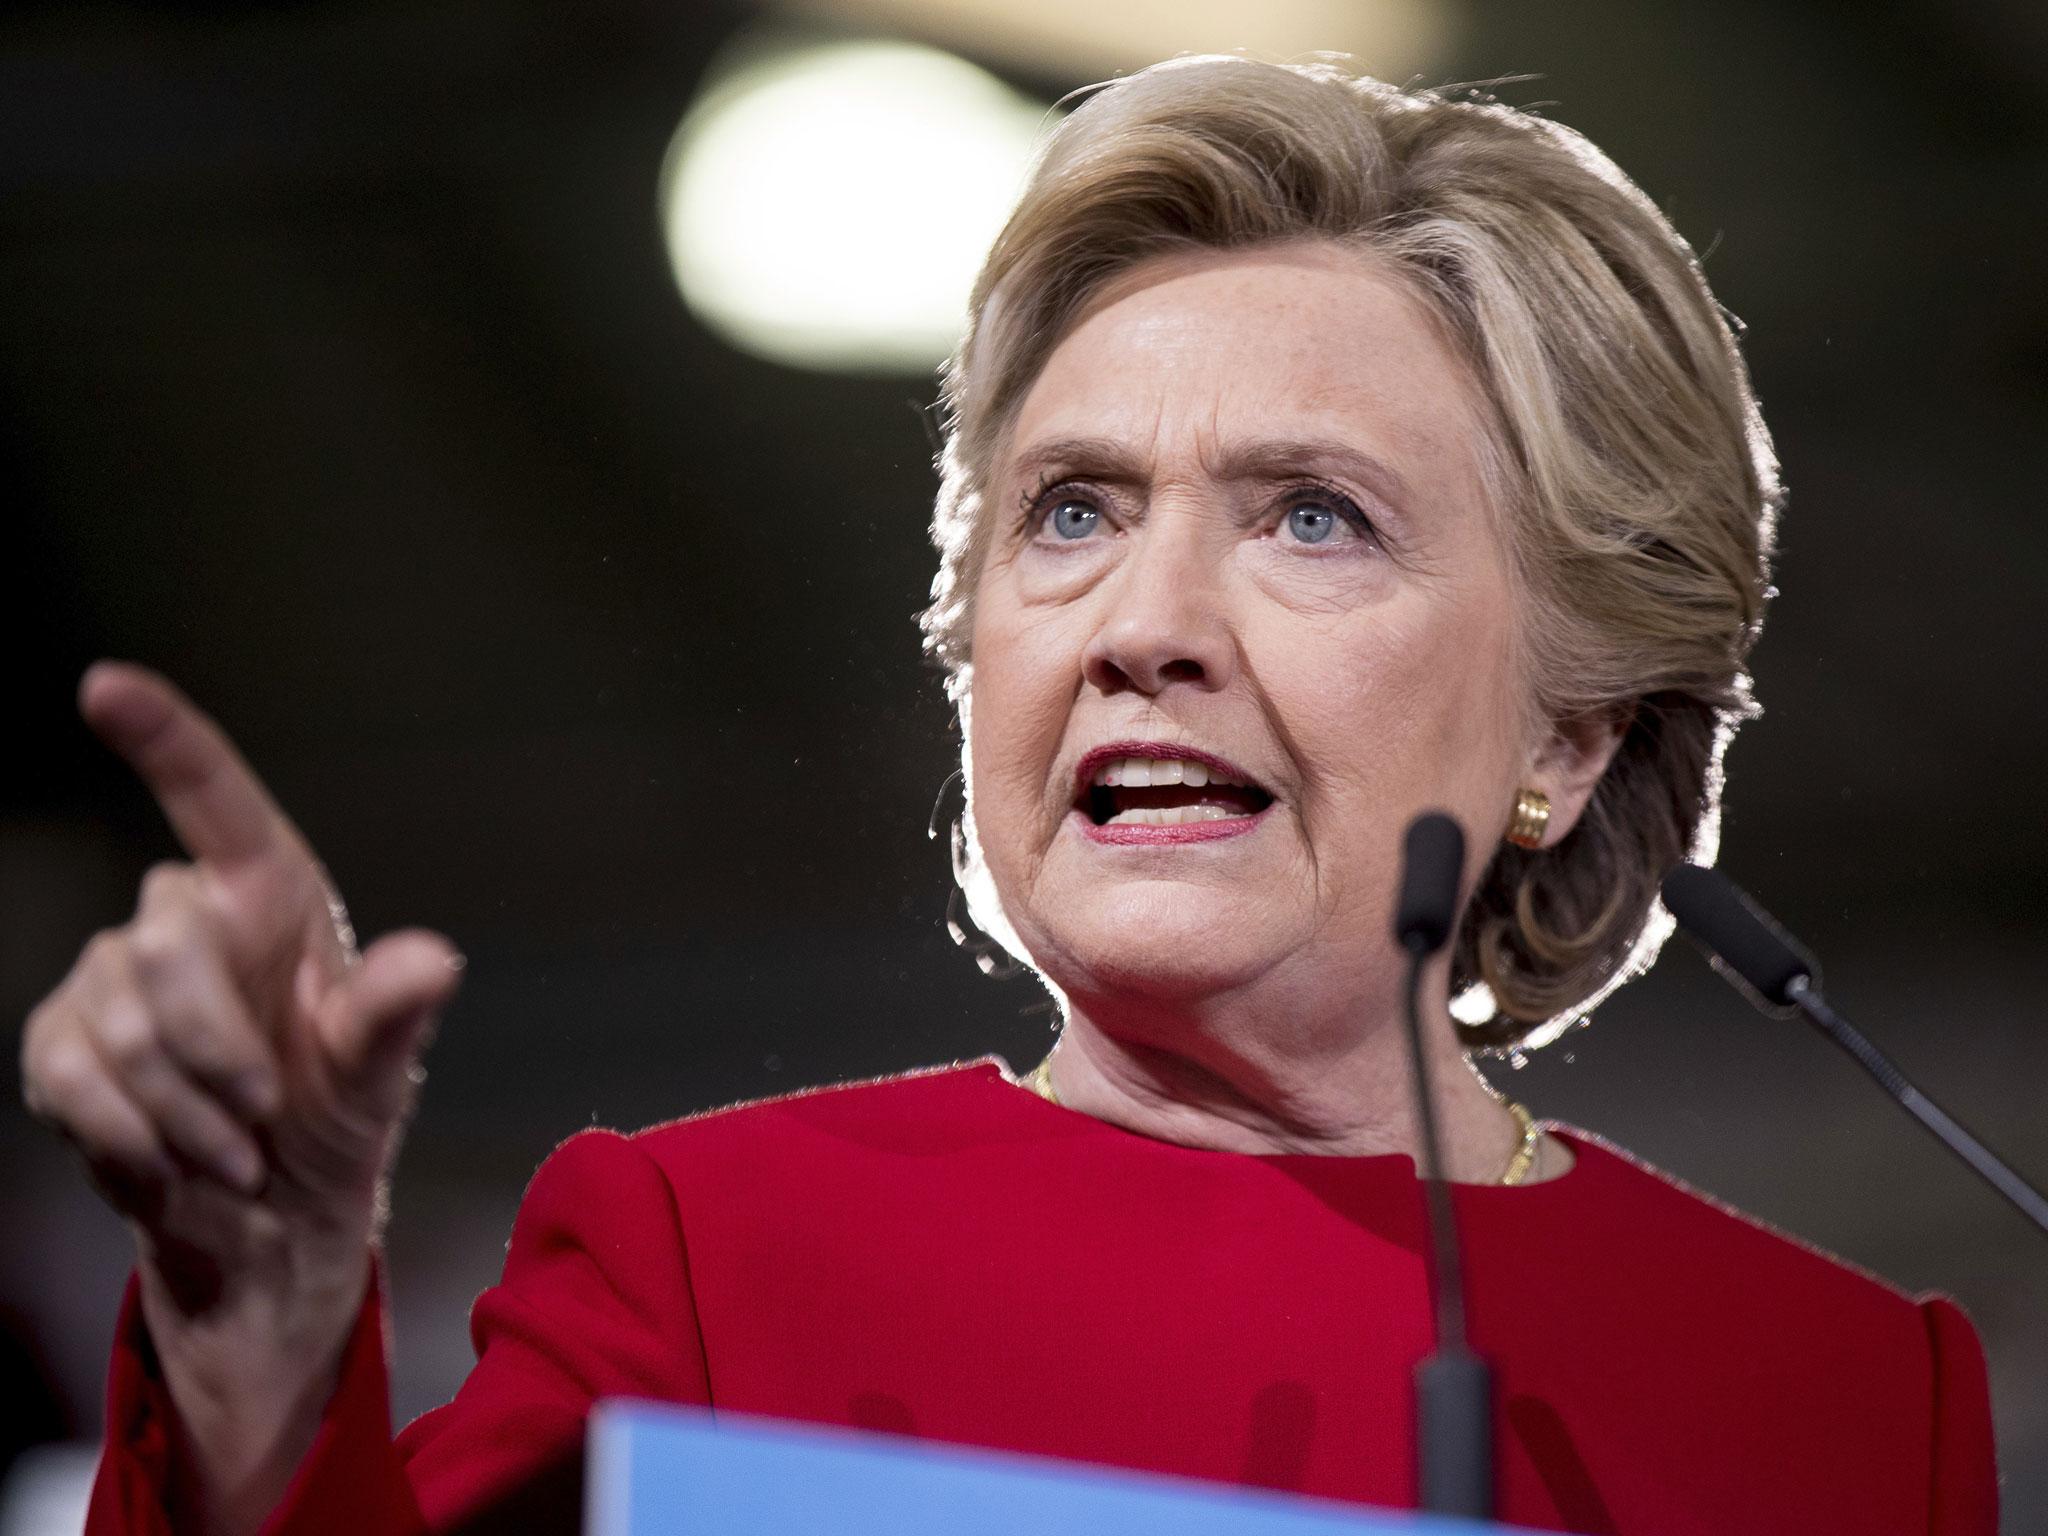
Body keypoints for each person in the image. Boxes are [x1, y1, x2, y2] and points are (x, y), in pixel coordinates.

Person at [22, 55, 1997, 1536]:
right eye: (1073, 512)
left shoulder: (1845, 1401)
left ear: (1568, 738)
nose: (1145, 624)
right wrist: (262, 1322)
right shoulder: (707, 1255)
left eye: (1311, 517)